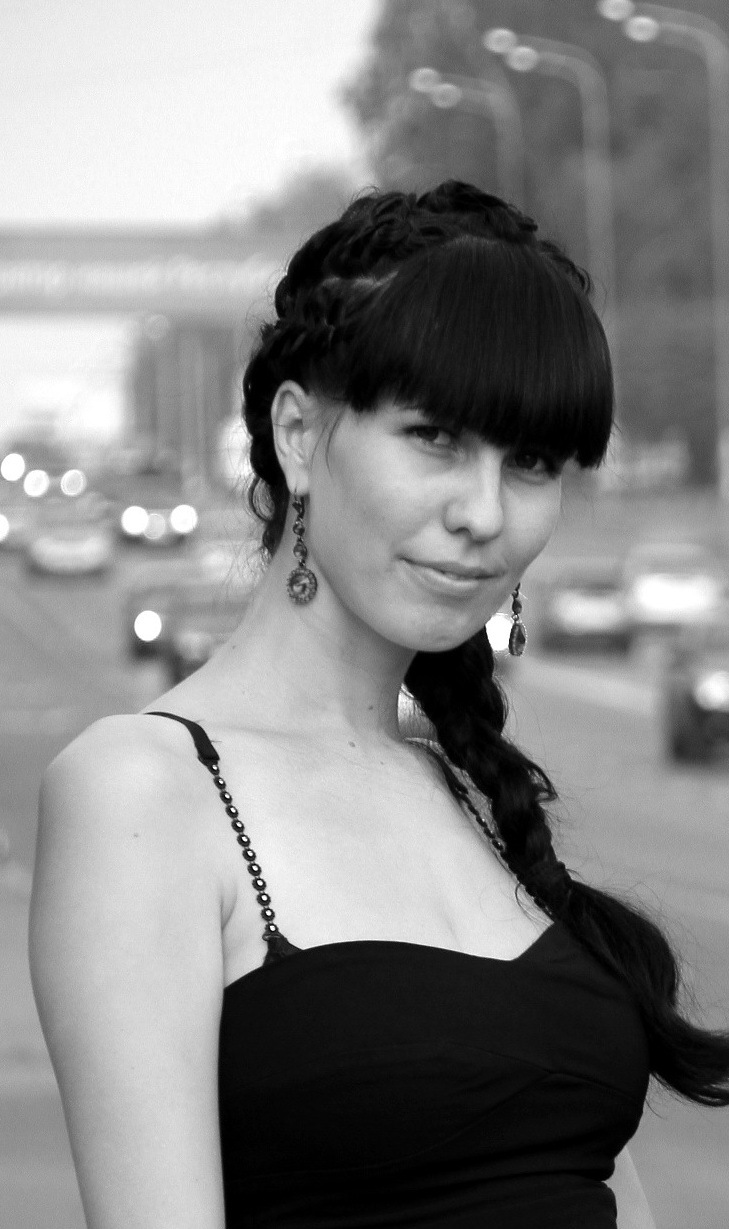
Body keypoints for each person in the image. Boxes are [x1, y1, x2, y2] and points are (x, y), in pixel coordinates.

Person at [29, 181, 729, 1229]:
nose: (483, 512)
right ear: (298, 433)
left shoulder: (462, 788)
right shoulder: (143, 789)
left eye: (529, 461)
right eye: (434, 436)